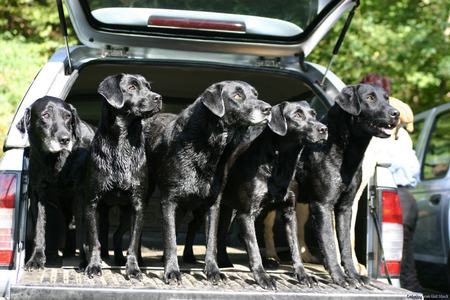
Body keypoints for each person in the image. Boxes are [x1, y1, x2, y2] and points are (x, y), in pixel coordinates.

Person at [361, 74, 422, 292]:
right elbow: (413, 172)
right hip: (407, 199)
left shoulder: (378, 131)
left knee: (396, 270)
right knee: (405, 266)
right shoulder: (402, 134)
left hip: (393, 199)